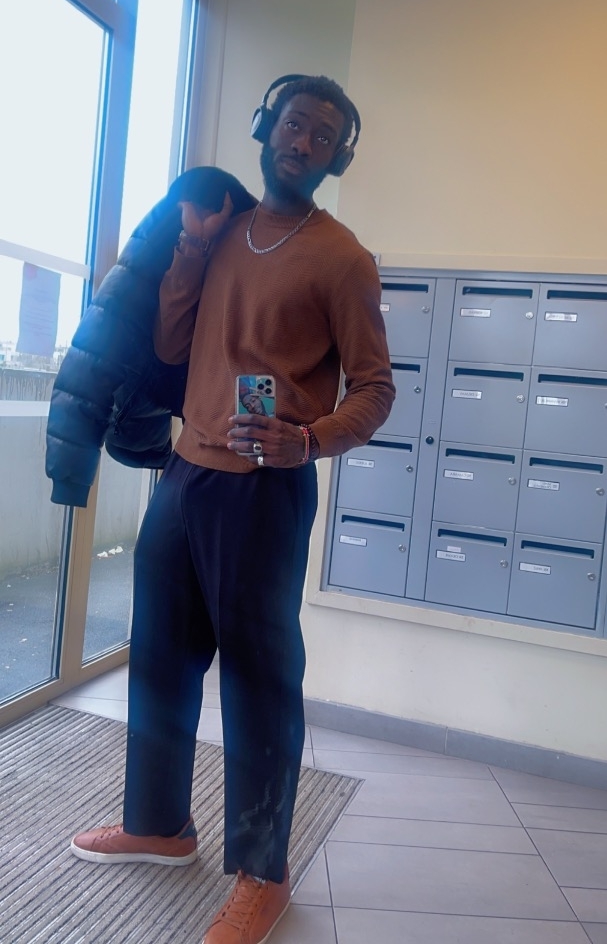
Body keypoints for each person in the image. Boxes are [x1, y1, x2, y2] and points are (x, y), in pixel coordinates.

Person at [69, 74, 395, 944]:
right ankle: (158, 825)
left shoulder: (343, 259)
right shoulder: (222, 234)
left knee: (257, 682)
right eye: (293, 123)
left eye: (321, 135)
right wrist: (188, 250)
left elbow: (374, 388)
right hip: (184, 475)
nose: (301, 141)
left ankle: (262, 873)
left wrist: (309, 439)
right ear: (264, 127)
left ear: (337, 158)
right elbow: (174, 343)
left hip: (264, 489)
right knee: (161, 661)